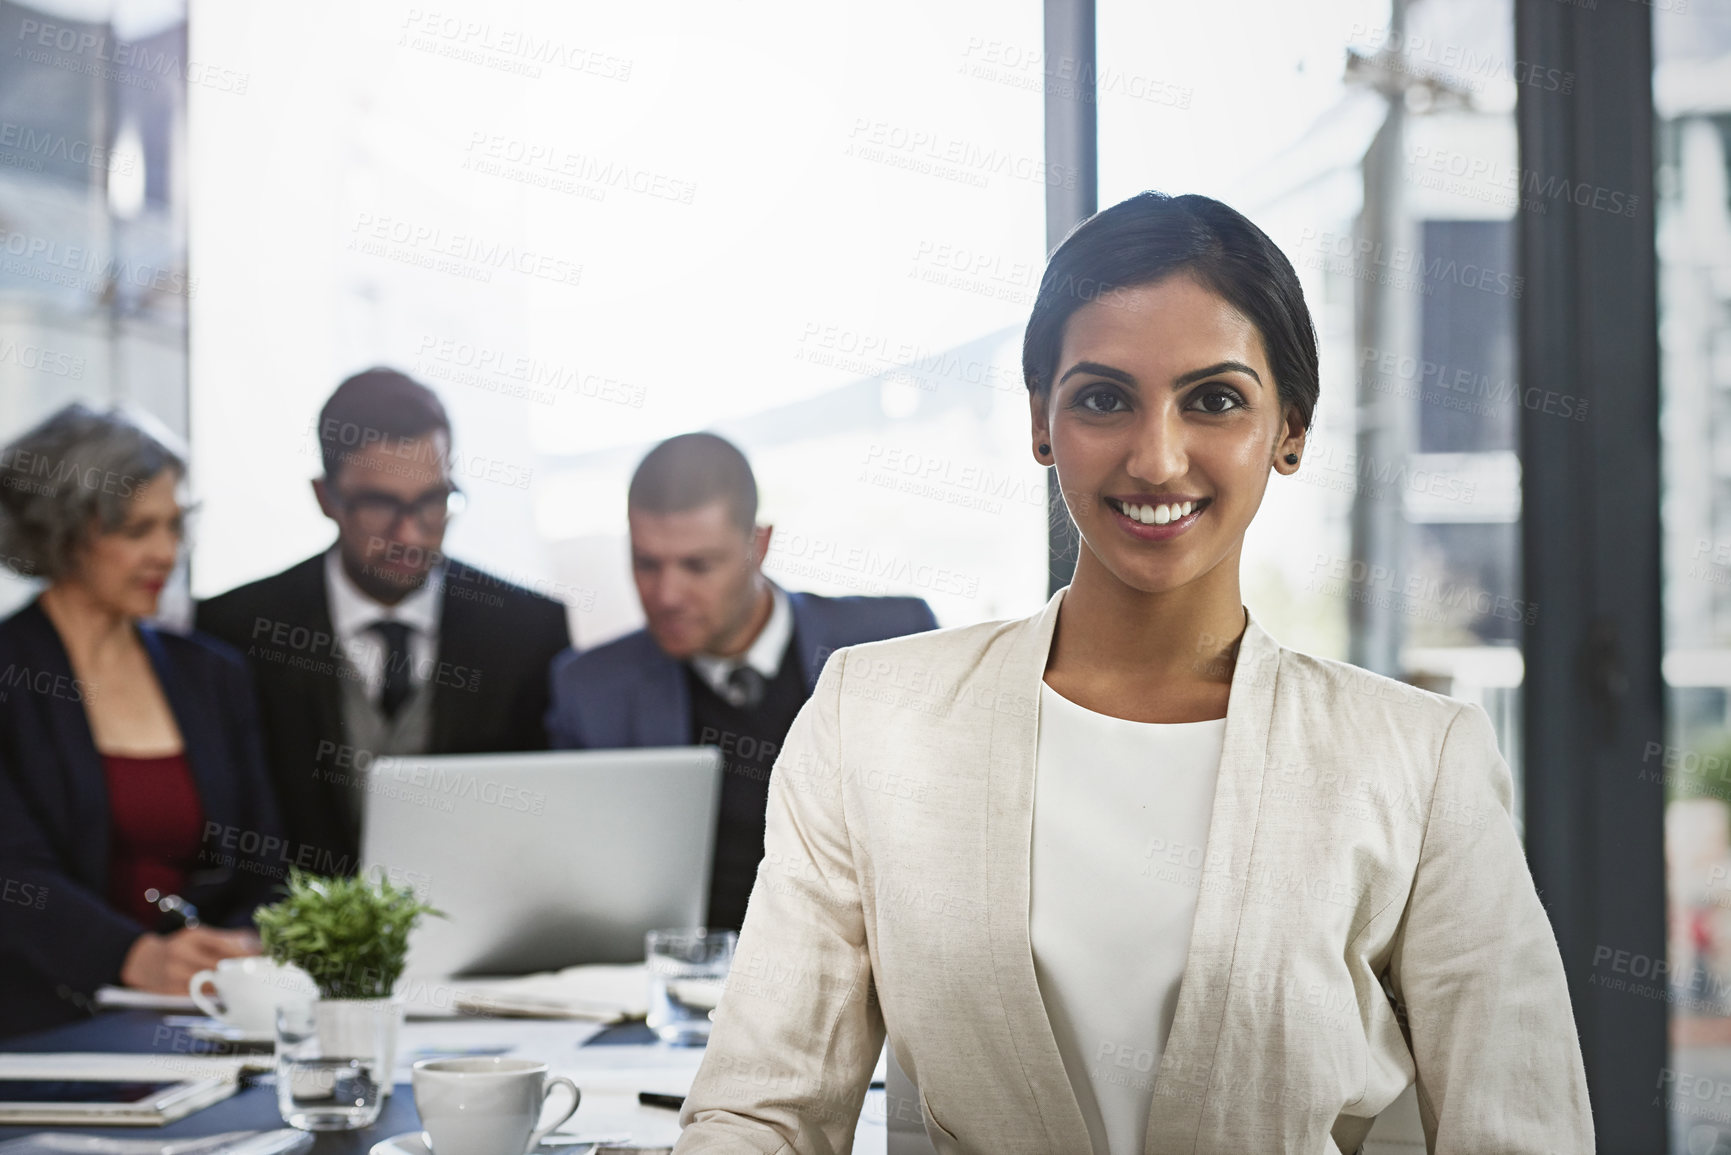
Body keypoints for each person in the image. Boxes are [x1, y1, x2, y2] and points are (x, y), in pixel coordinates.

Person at [674, 194, 1593, 1153]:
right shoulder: (874, 719)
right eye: (1104, 398)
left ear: (1291, 430)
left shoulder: (1417, 759)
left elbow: (1517, 1127)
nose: (1155, 458)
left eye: (1215, 399)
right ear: (1042, 421)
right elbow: (761, 1110)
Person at [546, 433, 937, 931]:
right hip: (683, 987)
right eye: (647, 563)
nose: (666, 594)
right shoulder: (592, 690)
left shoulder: (893, 641)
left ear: (759, 545)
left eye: (697, 565)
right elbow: (573, 883)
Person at [196, 369, 570, 875]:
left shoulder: (529, 630)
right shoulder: (236, 630)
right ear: (326, 498)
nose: (411, 534)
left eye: (433, 501)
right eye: (382, 506)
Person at [0, 404, 282, 1039]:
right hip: (41, 1027)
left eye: (176, 527)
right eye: (136, 530)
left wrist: (240, 944)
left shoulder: (213, 675)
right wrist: (137, 958)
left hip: (211, 1019)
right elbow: (11, 875)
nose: (166, 552)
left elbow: (267, 862)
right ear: (63, 533)